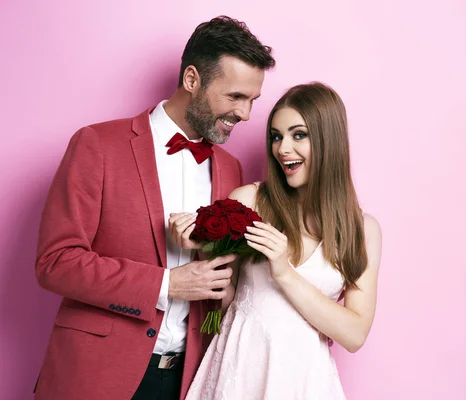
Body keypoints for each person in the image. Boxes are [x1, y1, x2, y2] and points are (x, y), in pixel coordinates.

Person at [34, 16, 275, 400]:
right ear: (193, 79)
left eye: (252, 100)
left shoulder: (232, 169)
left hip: (188, 380)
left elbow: (222, 280)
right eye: (235, 97)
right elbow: (56, 262)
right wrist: (168, 284)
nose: (245, 114)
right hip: (98, 375)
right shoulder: (97, 144)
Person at [169, 82, 382, 399]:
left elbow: (353, 334)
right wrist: (201, 250)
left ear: (329, 140)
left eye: (298, 135)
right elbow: (227, 302)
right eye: (276, 136)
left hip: (303, 382)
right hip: (239, 370)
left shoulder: (362, 230)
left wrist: (284, 273)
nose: (282, 149)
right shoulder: (250, 200)